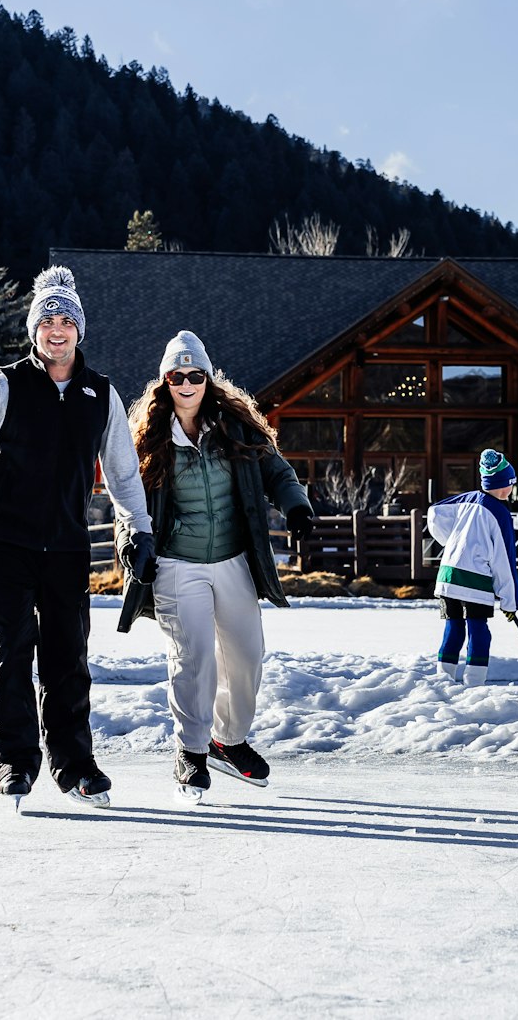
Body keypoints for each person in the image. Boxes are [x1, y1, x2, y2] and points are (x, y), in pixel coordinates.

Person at [0, 265, 153, 810]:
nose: (56, 330)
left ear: (78, 330)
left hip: (66, 548)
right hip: (8, 546)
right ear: (34, 330)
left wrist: (141, 531)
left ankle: (75, 766)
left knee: (68, 661)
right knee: (8, 655)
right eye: (47, 321)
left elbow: (124, 474)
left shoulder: (100, 395)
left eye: (66, 320)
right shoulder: (6, 386)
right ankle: (14, 764)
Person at [123, 331, 313, 804]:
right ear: (164, 382)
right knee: (195, 657)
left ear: (207, 378)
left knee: (247, 654)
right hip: (176, 565)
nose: (186, 383)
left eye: (195, 375)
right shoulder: (148, 440)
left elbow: (277, 472)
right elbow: (128, 501)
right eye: (176, 375)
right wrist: (133, 542)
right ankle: (191, 750)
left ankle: (228, 738)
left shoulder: (236, 428)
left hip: (233, 559)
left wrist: (295, 506)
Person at [427, 450, 518, 686]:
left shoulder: (466, 500)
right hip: (474, 581)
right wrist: (510, 602)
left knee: (454, 626)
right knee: (479, 629)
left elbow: (434, 513)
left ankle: (443, 681)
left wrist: (452, 542)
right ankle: (474, 684)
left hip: (448, 575)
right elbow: (504, 561)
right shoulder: (499, 513)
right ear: (504, 486)